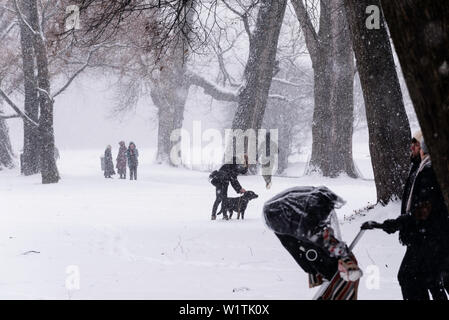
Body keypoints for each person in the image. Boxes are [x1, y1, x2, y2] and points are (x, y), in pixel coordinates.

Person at [363, 135, 449, 300]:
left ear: (424, 148)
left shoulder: (429, 170)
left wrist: (399, 222)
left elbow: (425, 208)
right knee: (428, 280)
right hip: (428, 236)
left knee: (411, 277)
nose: (413, 148)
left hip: (429, 237)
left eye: (417, 145)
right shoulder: (422, 168)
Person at [263, 186, 363, 300]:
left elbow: (319, 232)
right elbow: (312, 235)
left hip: (284, 217)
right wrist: (335, 250)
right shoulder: (309, 214)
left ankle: (327, 276)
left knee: (316, 255)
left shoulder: (314, 207)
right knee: (314, 257)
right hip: (281, 218)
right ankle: (327, 278)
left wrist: (335, 247)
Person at [209, 156, 248, 220]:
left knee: (219, 199)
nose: (238, 165)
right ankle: (222, 215)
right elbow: (234, 180)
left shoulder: (228, 166)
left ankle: (215, 215)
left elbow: (241, 173)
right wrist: (239, 189)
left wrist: (246, 162)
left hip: (221, 183)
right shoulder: (232, 168)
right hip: (222, 183)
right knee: (222, 199)